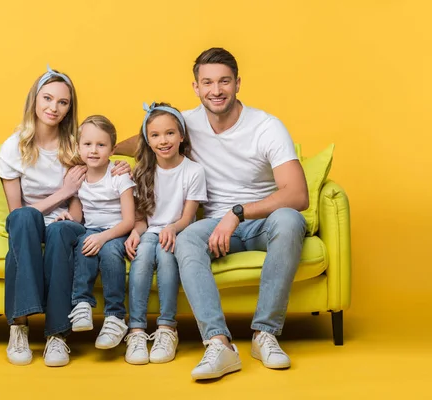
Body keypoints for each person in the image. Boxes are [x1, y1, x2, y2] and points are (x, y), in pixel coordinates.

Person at [115, 48, 309, 380]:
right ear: (195, 87)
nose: (215, 90)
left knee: (291, 220)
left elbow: (297, 194)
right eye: (207, 82)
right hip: (212, 225)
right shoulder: (185, 123)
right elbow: (149, 138)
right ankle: (219, 344)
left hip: (261, 220)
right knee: (186, 238)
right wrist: (99, 155)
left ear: (237, 83)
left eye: (224, 81)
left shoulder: (266, 126)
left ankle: (265, 335)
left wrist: (237, 213)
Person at [0, 66, 87, 367]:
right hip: (28, 225)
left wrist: (70, 215)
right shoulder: (13, 147)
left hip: (63, 227)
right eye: (47, 98)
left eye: (63, 102)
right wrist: (62, 193)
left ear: (69, 108)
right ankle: (19, 328)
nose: (54, 108)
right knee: (23, 219)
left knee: (61, 232)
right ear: (34, 101)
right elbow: (16, 212)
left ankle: (57, 335)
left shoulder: (75, 146)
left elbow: (77, 207)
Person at [123, 102, 207, 365]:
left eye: (170, 133)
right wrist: (135, 233)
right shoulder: (142, 171)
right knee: (144, 253)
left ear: (182, 135)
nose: (163, 141)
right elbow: (141, 220)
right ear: (147, 141)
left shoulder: (194, 171)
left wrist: (171, 229)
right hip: (151, 231)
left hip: (180, 231)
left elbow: (186, 217)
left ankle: (167, 328)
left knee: (167, 254)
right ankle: (136, 330)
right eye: (155, 135)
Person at [67, 115, 136, 350]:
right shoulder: (78, 177)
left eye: (101, 145)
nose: (93, 150)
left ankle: (115, 317)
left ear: (112, 149)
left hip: (118, 231)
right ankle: (82, 304)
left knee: (107, 252)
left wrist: (103, 237)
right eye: (87, 144)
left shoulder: (119, 176)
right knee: (83, 244)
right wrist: (68, 218)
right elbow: (78, 215)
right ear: (78, 147)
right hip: (93, 230)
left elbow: (129, 220)